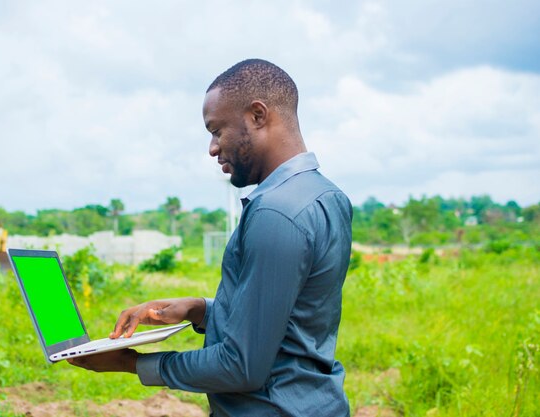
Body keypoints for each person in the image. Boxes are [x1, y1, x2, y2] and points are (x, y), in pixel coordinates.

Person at [69, 59, 353, 417]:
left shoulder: (275, 213)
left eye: (217, 130)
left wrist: (132, 363)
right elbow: (290, 320)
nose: (213, 148)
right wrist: (198, 309)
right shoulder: (325, 195)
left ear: (258, 115)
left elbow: (241, 366)